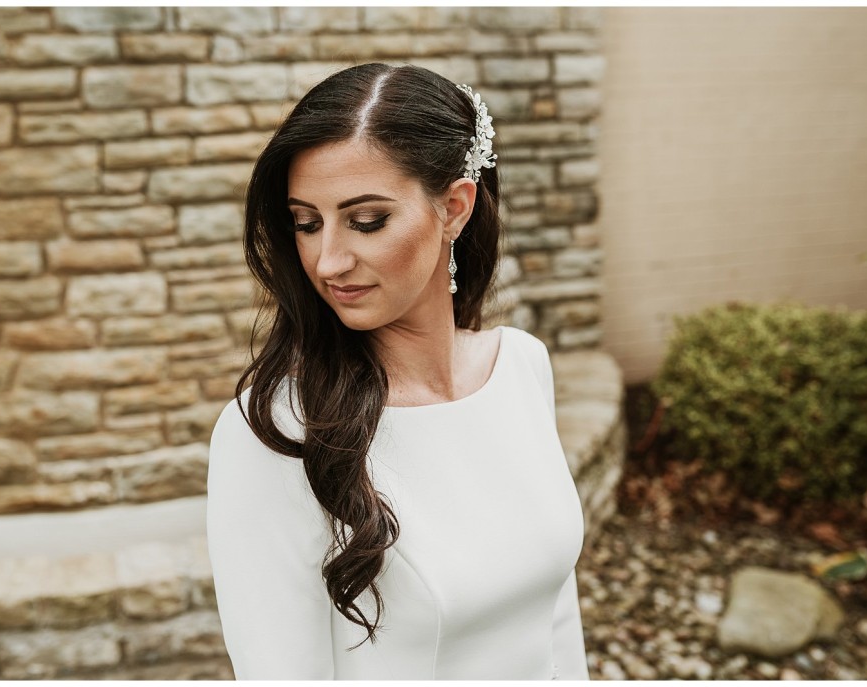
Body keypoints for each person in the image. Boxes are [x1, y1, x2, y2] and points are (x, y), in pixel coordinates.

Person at [206, 62, 590, 680]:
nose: (328, 260)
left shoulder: (522, 367)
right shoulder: (276, 433)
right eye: (306, 223)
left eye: (366, 221)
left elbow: (556, 618)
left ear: (454, 209)